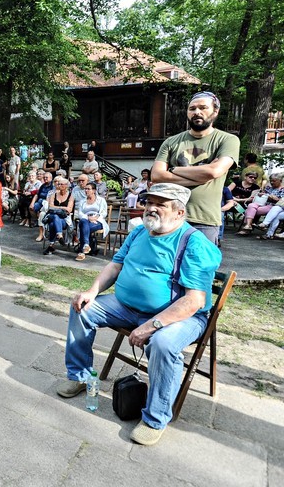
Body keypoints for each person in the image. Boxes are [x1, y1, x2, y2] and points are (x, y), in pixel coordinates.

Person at [56, 183, 221, 446]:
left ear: (179, 213)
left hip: (177, 316)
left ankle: (155, 418)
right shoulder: (140, 232)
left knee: (163, 343)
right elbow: (115, 266)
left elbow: (194, 301)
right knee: (82, 308)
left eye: (160, 204)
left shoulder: (194, 243)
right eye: (148, 202)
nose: (151, 208)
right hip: (126, 307)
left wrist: (153, 325)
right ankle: (80, 377)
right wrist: (91, 291)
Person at [150, 91, 240, 244]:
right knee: (163, 266)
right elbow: (157, 176)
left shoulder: (228, 140)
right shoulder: (171, 142)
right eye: (192, 108)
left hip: (204, 220)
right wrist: (203, 176)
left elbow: (214, 171)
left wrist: (173, 170)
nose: (197, 112)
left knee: (198, 267)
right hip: (169, 215)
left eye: (203, 108)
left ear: (215, 111)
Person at [75, 182, 109, 261]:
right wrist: (88, 218)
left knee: (84, 227)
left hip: (98, 221)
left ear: (94, 190)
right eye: (85, 189)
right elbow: (80, 213)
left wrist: (95, 218)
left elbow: (104, 212)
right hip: (86, 219)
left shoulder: (101, 200)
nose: (86, 191)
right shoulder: (82, 201)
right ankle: (86, 246)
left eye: (88, 189)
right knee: (83, 222)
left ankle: (82, 250)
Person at [42, 176, 75, 255]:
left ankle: (51, 246)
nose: (59, 185)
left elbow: (69, 209)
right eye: (59, 184)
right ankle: (59, 235)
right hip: (51, 216)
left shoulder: (70, 196)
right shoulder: (54, 195)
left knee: (53, 223)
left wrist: (57, 208)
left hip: (64, 219)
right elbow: (50, 207)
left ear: (67, 185)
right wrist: (63, 208)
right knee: (55, 216)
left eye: (62, 184)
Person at [30, 171, 54, 241]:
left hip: (47, 202)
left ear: (51, 178)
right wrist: (32, 203)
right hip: (40, 201)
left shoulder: (53, 186)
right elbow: (37, 194)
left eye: (46, 177)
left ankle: (42, 229)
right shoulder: (43, 185)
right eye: (44, 177)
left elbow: (50, 197)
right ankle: (37, 221)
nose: (45, 179)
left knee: (41, 213)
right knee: (31, 208)